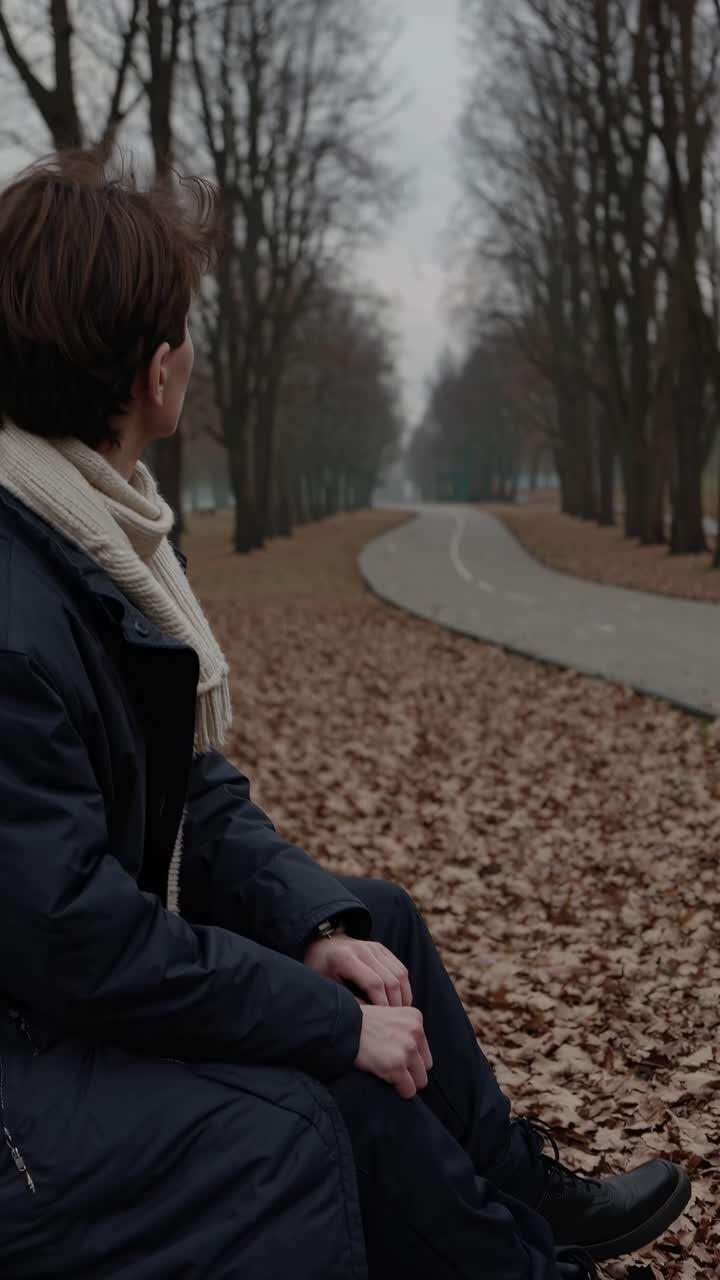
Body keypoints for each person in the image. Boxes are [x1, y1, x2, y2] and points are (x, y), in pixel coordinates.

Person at [0, 153, 689, 1280]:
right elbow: (78, 939)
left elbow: (196, 801)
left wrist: (320, 929)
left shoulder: (91, 535)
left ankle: (517, 1198)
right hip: (26, 1083)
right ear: (156, 371)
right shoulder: (26, 599)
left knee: (381, 923)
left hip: (57, 1000)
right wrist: (319, 1021)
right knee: (335, 1090)